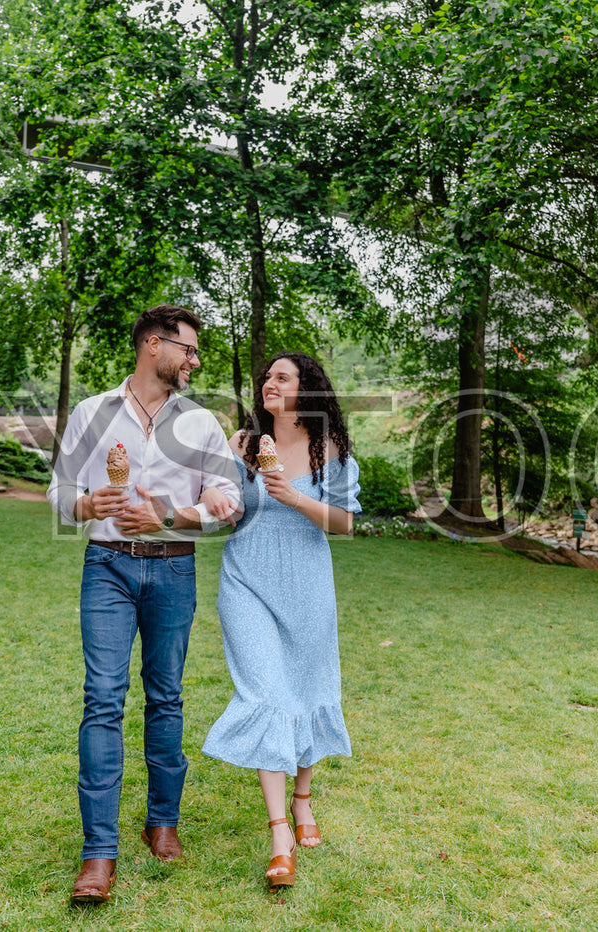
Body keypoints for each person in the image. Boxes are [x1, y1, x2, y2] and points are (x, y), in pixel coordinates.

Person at [48, 304, 241, 905]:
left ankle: (163, 822)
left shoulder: (202, 422)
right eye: (188, 348)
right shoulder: (91, 413)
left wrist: (173, 514)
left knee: (167, 696)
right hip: (107, 567)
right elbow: (59, 492)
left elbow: (229, 496)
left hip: (174, 568)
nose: (195, 359)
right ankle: (98, 853)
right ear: (153, 345)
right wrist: (88, 506)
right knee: (103, 700)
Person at [200, 351, 361, 891]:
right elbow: (218, 495)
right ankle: (278, 835)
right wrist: (215, 499)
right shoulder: (242, 445)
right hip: (246, 579)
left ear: (306, 390)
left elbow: (345, 524)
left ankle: (303, 797)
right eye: (267, 377)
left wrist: (293, 496)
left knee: (308, 686)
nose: (270, 383)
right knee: (265, 693)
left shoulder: (330, 449)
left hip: (308, 582)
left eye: (282, 377)